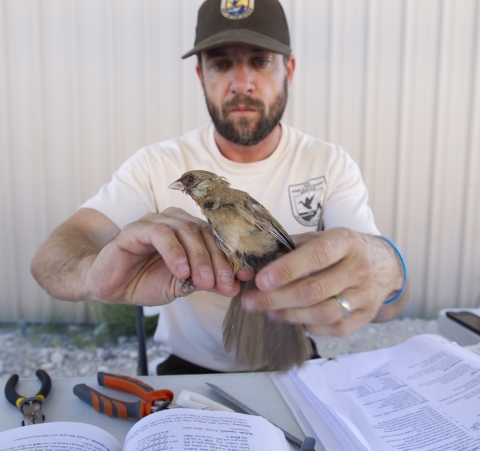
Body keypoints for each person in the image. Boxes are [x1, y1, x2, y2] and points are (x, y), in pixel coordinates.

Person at [31, 0, 410, 374]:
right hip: (190, 369)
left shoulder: (331, 163)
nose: (241, 83)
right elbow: (49, 260)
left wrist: (389, 272)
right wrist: (95, 274)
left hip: (294, 359)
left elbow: (388, 301)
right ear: (201, 75)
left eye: (260, 61)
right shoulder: (153, 164)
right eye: (222, 63)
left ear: (288, 70)